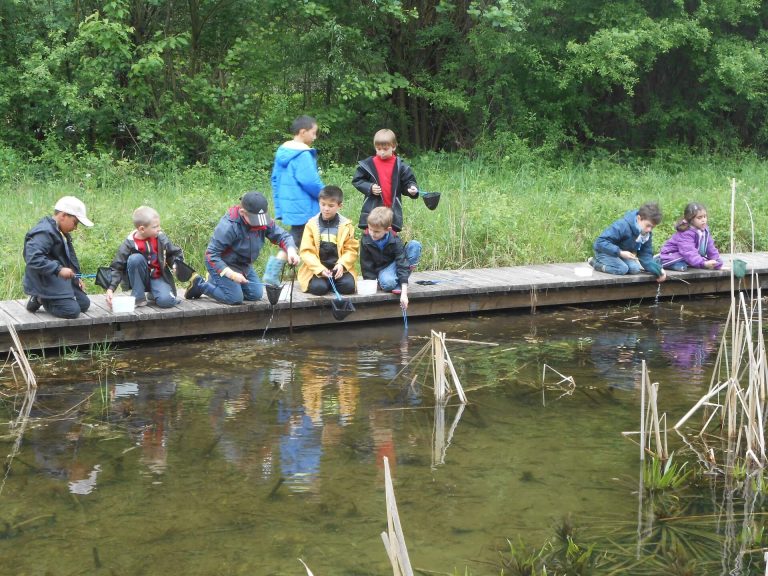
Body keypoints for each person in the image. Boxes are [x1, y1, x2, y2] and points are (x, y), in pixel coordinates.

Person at [185, 191, 299, 304]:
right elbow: (211, 255)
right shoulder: (228, 226)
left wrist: (291, 251)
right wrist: (232, 274)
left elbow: (283, 236)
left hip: (244, 265)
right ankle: (200, 285)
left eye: (262, 219)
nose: (260, 224)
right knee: (234, 298)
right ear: (242, 212)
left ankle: (216, 282)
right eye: (256, 220)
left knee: (255, 295)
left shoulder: (262, 220)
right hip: (223, 264)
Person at [269, 115, 325, 284]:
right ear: (303, 132)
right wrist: (325, 195)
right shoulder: (302, 154)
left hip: (292, 205)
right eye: (314, 133)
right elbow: (310, 181)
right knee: (303, 238)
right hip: (305, 206)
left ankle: (303, 273)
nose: (315, 137)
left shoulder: (284, 152)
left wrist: (281, 205)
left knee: (299, 238)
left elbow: (275, 179)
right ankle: (273, 271)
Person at [23, 196, 94, 318]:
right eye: (75, 223)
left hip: (55, 278)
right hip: (44, 281)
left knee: (84, 304)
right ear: (63, 215)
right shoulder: (44, 232)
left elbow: (69, 257)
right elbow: (32, 258)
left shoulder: (60, 231)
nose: (76, 228)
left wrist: (76, 276)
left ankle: (47, 297)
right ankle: (40, 298)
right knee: (72, 311)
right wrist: (59, 269)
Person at [104, 206, 185, 309]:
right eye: (155, 227)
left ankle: (154, 294)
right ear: (142, 229)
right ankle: (139, 298)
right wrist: (110, 288)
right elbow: (117, 267)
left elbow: (174, 253)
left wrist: (175, 264)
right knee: (135, 259)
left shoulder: (160, 238)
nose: (159, 229)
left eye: (159, 225)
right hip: (140, 279)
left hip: (158, 277)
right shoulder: (129, 244)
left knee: (167, 302)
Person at [352, 128, 419, 232]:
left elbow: (408, 182)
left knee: (391, 241)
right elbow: (357, 180)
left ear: (393, 147)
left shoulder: (401, 166)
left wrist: (412, 188)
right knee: (370, 239)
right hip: (372, 212)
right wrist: (370, 187)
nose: (381, 152)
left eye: (385, 149)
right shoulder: (368, 164)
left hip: (391, 213)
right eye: (378, 149)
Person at [297, 185, 358, 296]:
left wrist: (342, 264)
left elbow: (351, 250)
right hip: (317, 269)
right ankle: (326, 283)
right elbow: (306, 252)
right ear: (319, 203)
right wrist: (320, 269)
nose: (326, 208)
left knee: (348, 287)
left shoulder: (346, 225)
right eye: (323, 204)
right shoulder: (311, 224)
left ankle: (331, 283)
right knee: (319, 289)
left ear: (340, 206)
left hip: (338, 269)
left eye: (331, 206)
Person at [589, 202, 667, 283]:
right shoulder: (622, 225)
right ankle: (596, 263)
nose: (649, 230)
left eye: (652, 227)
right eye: (648, 225)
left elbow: (645, 255)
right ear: (639, 218)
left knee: (635, 269)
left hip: (620, 255)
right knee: (622, 269)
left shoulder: (646, 233)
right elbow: (600, 242)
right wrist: (620, 252)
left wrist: (659, 270)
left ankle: (616, 261)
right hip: (605, 252)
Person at [360, 206, 421, 309]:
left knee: (414, 245)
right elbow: (366, 264)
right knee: (388, 284)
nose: (372, 234)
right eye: (370, 229)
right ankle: (396, 282)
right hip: (382, 271)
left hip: (396, 265)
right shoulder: (366, 239)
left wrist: (404, 293)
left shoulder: (395, 240)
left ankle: (401, 283)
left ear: (387, 230)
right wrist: (371, 284)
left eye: (376, 231)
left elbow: (401, 263)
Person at [658, 202, 722, 271]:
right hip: (671, 255)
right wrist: (703, 263)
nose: (703, 220)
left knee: (701, 261)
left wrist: (717, 261)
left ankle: (692, 263)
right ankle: (660, 262)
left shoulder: (705, 230)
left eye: (705, 216)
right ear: (690, 220)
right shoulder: (686, 232)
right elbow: (688, 251)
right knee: (681, 263)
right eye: (699, 218)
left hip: (688, 256)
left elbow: (710, 247)